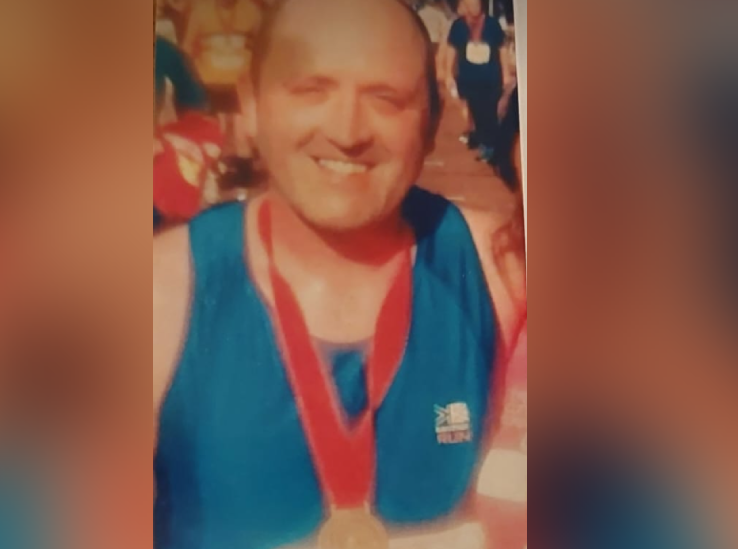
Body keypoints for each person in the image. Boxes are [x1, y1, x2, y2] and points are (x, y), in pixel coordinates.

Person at [153, 0, 527, 547]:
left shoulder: (499, 268)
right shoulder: (159, 298)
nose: (347, 131)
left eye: (387, 99)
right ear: (251, 107)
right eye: (311, 90)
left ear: (431, 124)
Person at [183, 0, 263, 161]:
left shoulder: (251, 11)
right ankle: (217, 167)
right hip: (210, 82)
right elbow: (187, 47)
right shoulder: (201, 10)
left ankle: (243, 169)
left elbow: (263, 46)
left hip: (241, 83)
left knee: (243, 132)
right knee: (217, 131)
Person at [445, 0, 507, 162]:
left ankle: (490, 147)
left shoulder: (492, 25)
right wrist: (448, 74)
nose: (474, 6)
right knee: (476, 112)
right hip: (468, 79)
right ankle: (484, 142)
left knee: (490, 112)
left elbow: (502, 50)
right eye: (470, 3)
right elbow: (451, 50)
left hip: (491, 78)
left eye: (476, 3)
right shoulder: (458, 26)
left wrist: (506, 74)